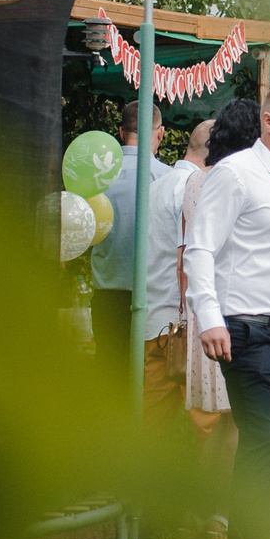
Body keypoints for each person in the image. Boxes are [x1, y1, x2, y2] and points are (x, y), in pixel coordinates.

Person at [184, 82, 270, 520]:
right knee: (262, 444)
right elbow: (200, 247)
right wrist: (210, 317)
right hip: (246, 331)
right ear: (268, 121)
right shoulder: (235, 173)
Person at [179, 104, 261, 467]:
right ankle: (220, 510)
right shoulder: (243, 179)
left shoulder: (196, 180)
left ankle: (204, 507)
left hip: (204, 310)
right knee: (240, 419)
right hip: (235, 308)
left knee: (219, 419)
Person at [139, 114, 211, 435]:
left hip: (150, 321)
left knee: (149, 423)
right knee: (208, 425)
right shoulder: (193, 187)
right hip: (181, 328)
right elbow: (188, 261)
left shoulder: (155, 186)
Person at [89, 100, 167, 357]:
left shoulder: (95, 178)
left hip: (107, 297)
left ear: (121, 133)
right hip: (151, 299)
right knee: (150, 382)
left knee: (109, 377)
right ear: (160, 133)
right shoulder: (168, 178)